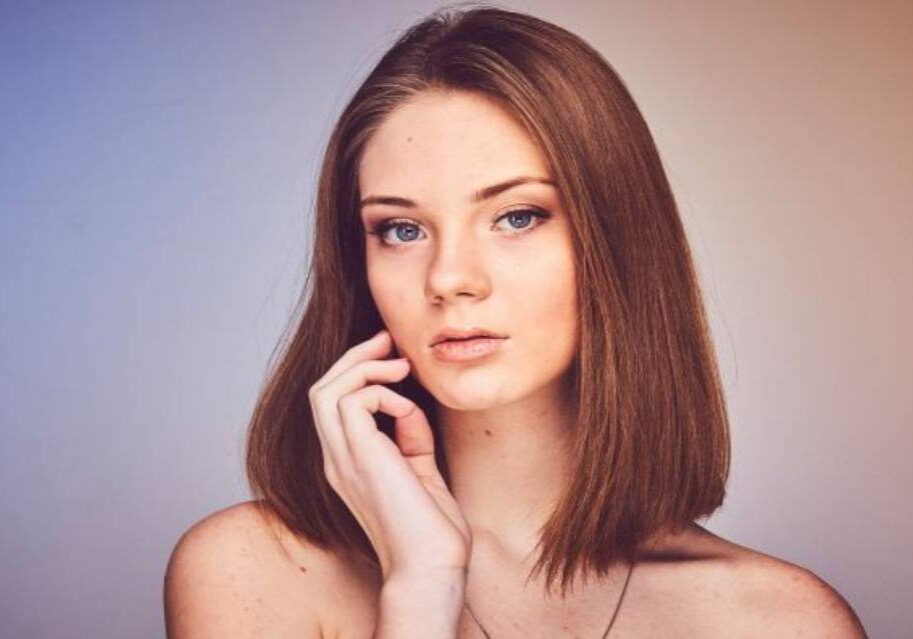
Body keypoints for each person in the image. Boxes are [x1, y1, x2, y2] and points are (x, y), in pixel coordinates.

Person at [163, 5, 867, 637]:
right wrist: (418, 591)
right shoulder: (247, 571)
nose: (449, 279)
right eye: (401, 229)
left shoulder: (782, 620)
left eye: (516, 216)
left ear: (615, 242)